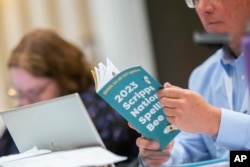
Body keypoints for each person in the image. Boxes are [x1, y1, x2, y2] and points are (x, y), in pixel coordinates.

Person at [1, 28, 140, 166]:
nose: (24, 102)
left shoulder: (105, 113)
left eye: (35, 92)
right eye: (18, 92)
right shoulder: (23, 117)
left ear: (62, 78)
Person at [136, 0, 250, 166]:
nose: (203, 8)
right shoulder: (204, 75)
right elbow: (191, 150)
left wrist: (213, 121)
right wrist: (162, 154)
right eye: (195, 0)